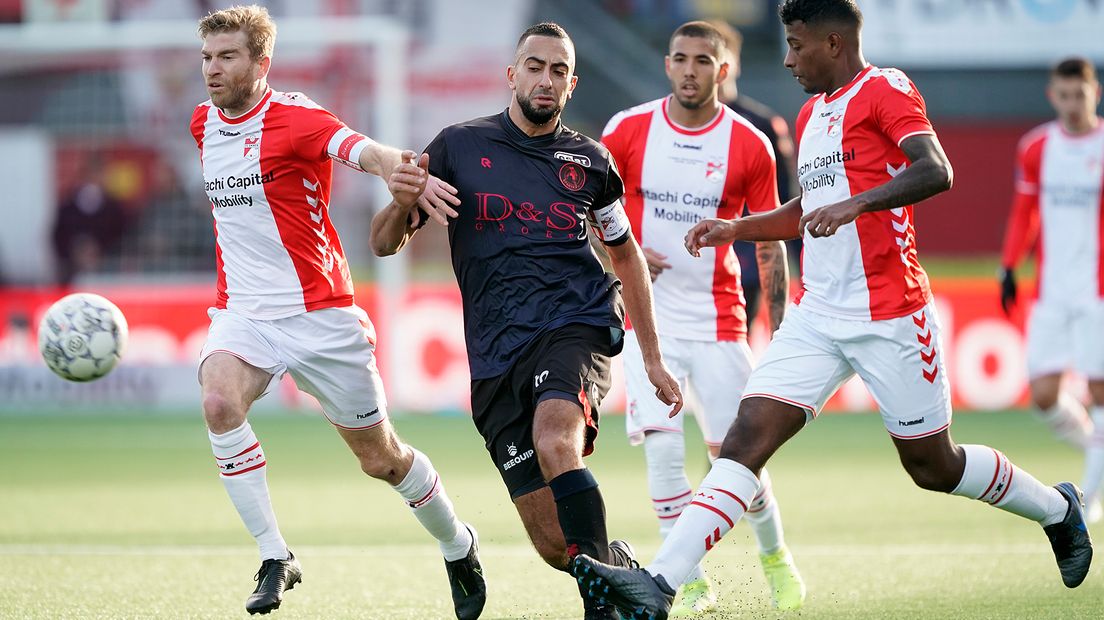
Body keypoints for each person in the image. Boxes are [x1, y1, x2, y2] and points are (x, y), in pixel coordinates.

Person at [571, 2, 1093, 617]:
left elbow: (936, 170)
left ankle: (1059, 510)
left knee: (933, 464)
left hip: (891, 314)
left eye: (796, 45)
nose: (787, 58)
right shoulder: (814, 111)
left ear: (835, 43)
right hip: (818, 313)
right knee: (743, 442)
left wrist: (857, 206)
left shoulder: (885, 89)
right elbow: (807, 209)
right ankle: (659, 586)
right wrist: (736, 228)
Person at [369, 22, 683, 620]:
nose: (546, 79)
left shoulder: (589, 162)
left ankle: (603, 612)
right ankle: (616, 568)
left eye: (559, 70)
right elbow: (384, 244)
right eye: (534, 66)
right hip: (494, 352)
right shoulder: (457, 148)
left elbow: (625, 254)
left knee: (554, 440)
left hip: (574, 324)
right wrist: (403, 200)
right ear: (512, 75)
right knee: (553, 544)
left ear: (572, 84)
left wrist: (651, 357)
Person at [190, 6, 484, 618]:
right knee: (218, 403)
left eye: (228, 57)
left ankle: (457, 544)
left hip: (320, 317)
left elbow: (364, 150)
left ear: (261, 63)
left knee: (383, 460)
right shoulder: (202, 124)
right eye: (207, 57)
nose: (213, 70)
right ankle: (276, 555)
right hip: (243, 313)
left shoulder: (296, 117)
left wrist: (403, 172)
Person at [600, 20, 803, 615]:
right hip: (647, 320)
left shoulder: (749, 144)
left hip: (721, 321)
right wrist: (623, 251)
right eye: (680, 59)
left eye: (702, 61)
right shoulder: (628, 130)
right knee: (662, 451)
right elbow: (587, 210)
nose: (691, 70)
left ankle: (775, 555)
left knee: (736, 456)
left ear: (723, 69)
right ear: (668, 65)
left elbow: (770, 241)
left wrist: (783, 330)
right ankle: (686, 579)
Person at [999, 56, 1104, 523]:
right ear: (1052, 96)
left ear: (1094, 93)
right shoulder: (1037, 147)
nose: (1071, 105)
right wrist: (1008, 267)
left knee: (1100, 395)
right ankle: (1097, 450)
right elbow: (1025, 213)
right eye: (1063, 96)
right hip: (1051, 292)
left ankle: (1091, 499)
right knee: (1043, 394)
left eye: (1079, 95)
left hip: (1097, 293)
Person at [708, 20, 800, 335]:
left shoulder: (762, 125)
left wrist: (798, 263)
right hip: (689, 261)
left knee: (734, 345)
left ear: (735, 63)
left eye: (719, 59)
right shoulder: (669, 126)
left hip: (746, 258)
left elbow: (788, 199)